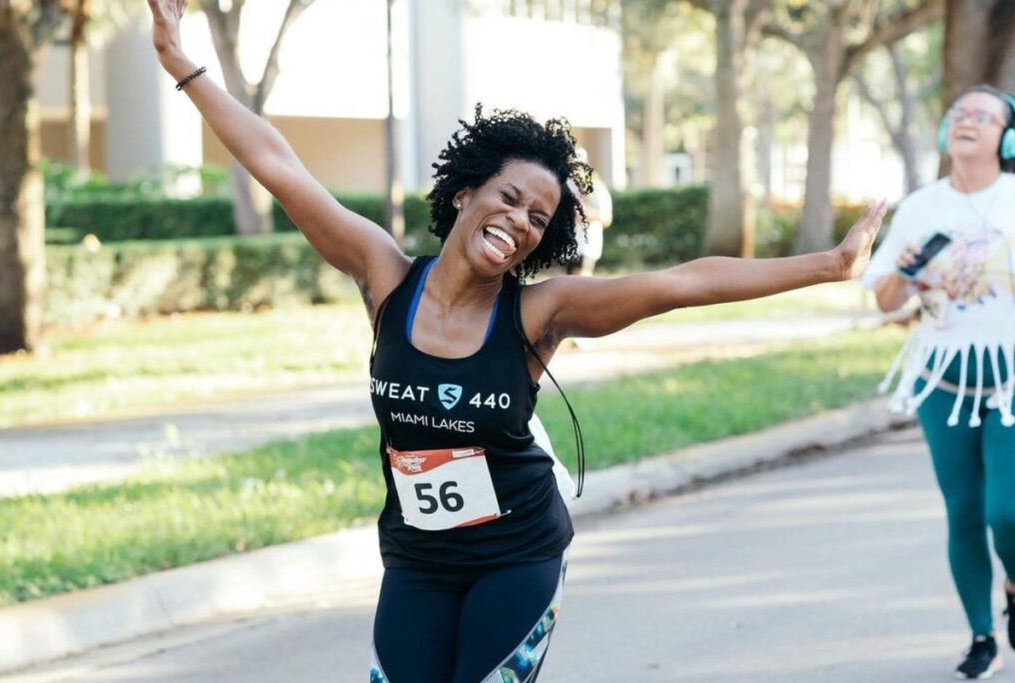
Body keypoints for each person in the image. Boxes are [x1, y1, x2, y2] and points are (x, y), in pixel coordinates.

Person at [146, 2, 886, 680]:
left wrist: (829, 264)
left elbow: (681, 282)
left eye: (539, 217)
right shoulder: (384, 277)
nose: (521, 220)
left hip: (517, 553)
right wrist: (184, 67)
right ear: (466, 192)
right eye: (510, 196)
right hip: (419, 556)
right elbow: (281, 166)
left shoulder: (540, 314)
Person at [864, 84, 1015, 680]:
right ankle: (982, 634)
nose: (968, 121)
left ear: (1006, 136)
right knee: (964, 510)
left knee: (1007, 511)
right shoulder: (920, 208)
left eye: (985, 115)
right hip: (942, 379)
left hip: (1011, 380)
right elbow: (884, 300)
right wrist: (904, 274)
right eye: (960, 113)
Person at [566, 149, 612, 277]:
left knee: (581, 281)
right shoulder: (566, 185)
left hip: (587, 244)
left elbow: (606, 218)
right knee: (571, 284)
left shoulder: (597, 187)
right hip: (569, 244)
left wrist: (584, 213)